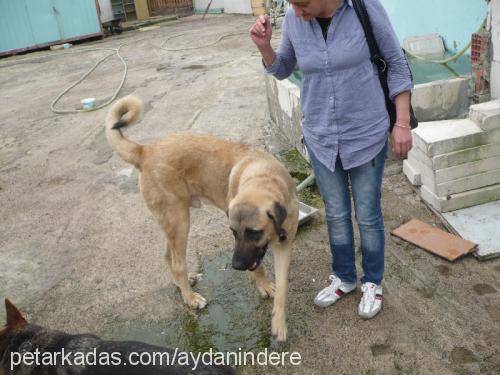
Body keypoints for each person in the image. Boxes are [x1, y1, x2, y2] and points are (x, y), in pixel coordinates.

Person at [250, 0, 413, 319]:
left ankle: (372, 281)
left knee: (367, 214)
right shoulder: (298, 20)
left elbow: (396, 63)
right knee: (336, 214)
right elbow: (282, 67)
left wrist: (402, 123)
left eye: (303, 3)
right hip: (321, 136)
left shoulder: (364, 9)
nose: (296, 12)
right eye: (292, 4)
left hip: (365, 133)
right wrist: (265, 48)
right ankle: (345, 278)